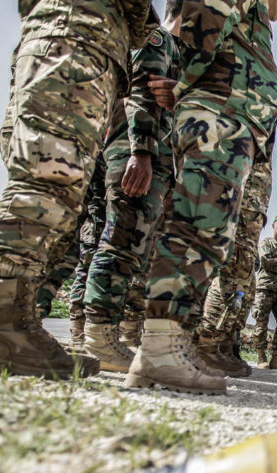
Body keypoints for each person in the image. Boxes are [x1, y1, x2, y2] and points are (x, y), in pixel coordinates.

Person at [0, 0, 157, 379]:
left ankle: (1, 319)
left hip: (82, 39)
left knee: (54, 188)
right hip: (78, 36)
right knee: (49, 180)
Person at [125, 0, 277, 395]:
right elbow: (202, 14)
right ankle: (158, 349)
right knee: (196, 229)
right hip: (218, 117)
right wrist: (186, 85)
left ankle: (169, 346)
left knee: (208, 234)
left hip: (227, 120)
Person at [83, 15, 180, 373]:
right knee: (121, 241)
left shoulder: (176, 50)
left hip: (154, 157)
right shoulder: (157, 37)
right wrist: (140, 152)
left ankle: (105, 336)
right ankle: (98, 338)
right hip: (138, 153)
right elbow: (140, 94)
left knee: (133, 247)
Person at [194, 159, 271, 377]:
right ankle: (206, 345)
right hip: (240, 206)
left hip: (251, 213)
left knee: (242, 280)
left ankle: (222, 344)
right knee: (232, 272)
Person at [252, 214, 277, 368]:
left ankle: (276, 357)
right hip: (264, 288)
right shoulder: (266, 242)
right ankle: (261, 357)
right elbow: (265, 262)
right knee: (261, 322)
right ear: (273, 225)